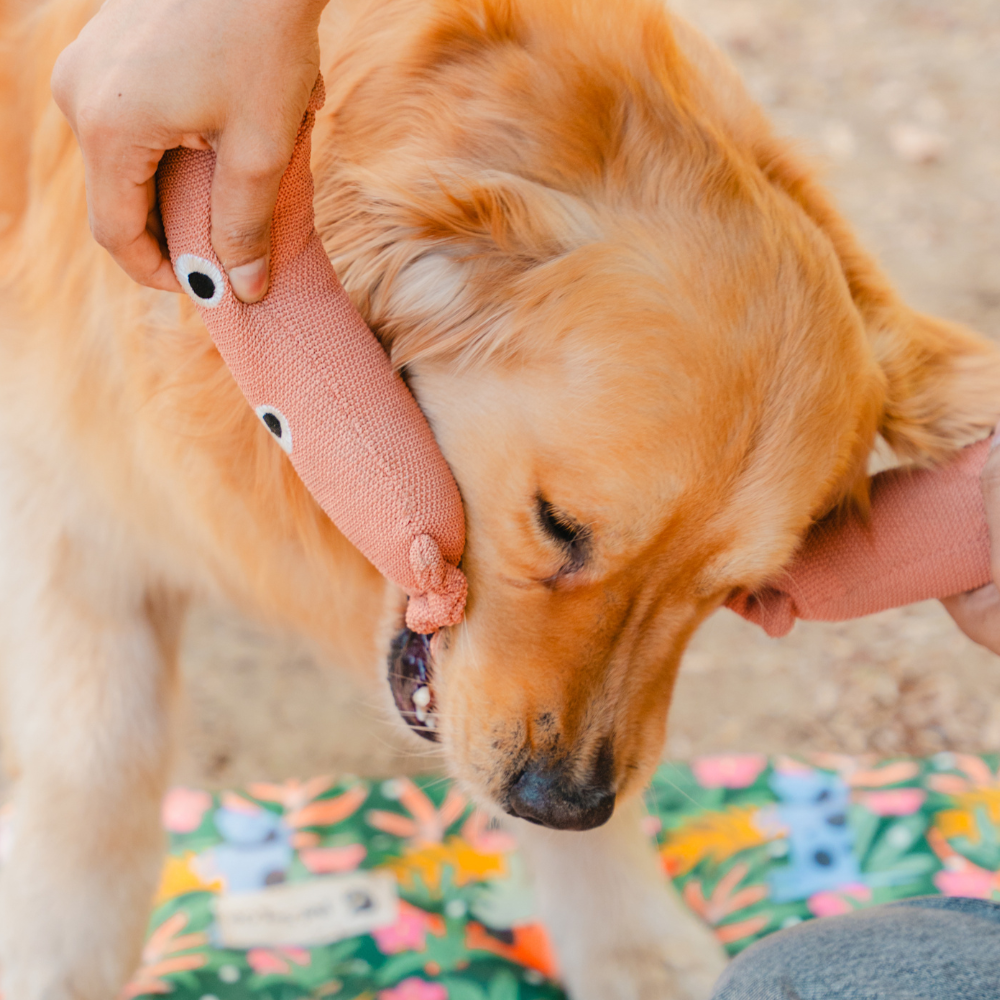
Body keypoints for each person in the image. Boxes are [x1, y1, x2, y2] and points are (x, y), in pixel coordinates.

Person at [54, 3, 1000, 997]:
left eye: (713, 587)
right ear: (427, 274)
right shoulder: (421, 227)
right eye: (562, 532)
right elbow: (60, 503)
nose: (581, 773)